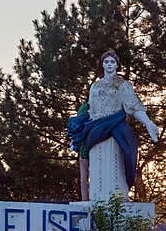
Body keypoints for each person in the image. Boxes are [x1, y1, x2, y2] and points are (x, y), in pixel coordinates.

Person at [66, 50, 159, 201]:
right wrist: (77, 136)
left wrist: (148, 123)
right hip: (94, 130)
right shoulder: (95, 86)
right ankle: (98, 199)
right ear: (102, 64)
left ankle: (119, 198)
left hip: (115, 128)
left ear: (117, 65)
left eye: (112, 62)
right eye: (106, 62)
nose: (109, 64)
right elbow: (89, 110)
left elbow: (133, 106)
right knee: (98, 171)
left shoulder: (123, 84)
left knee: (118, 165)